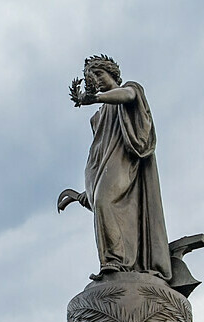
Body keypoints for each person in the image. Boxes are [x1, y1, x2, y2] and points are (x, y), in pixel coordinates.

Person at [56, 56, 171, 282]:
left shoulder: (130, 89)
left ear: (113, 75)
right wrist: (80, 194)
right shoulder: (97, 118)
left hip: (126, 162)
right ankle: (112, 263)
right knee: (102, 203)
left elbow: (128, 97)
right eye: (92, 77)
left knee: (103, 200)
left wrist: (95, 98)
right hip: (103, 169)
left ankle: (116, 261)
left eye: (100, 74)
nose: (96, 80)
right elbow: (98, 154)